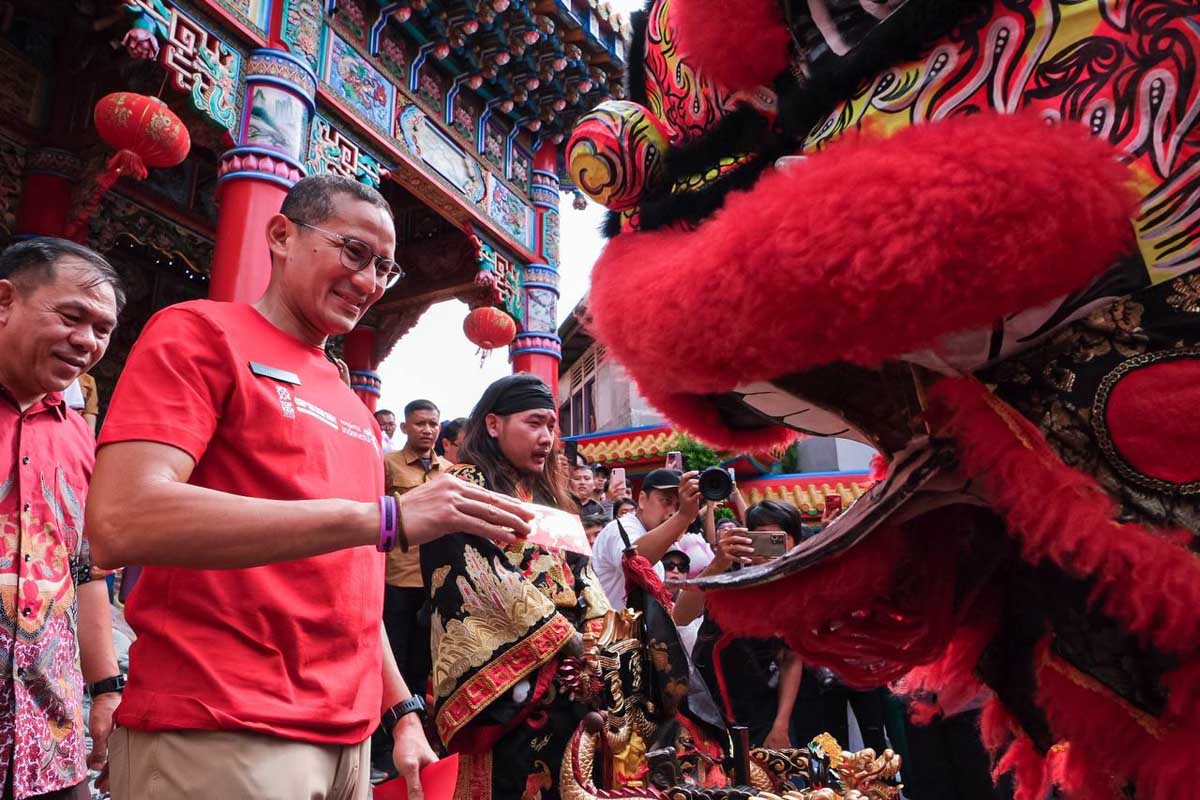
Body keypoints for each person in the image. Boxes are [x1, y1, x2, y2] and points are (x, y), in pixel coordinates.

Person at [85, 175, 533, 800]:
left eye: (385, 267)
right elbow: (120, 520)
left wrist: (401, 711)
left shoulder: (351, 407)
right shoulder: (200, 333)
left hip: (347, 741)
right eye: (354, 252)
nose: (372, 281)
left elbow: (349, 581)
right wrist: (384, 519)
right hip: (223, 726)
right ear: (280, 235)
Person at [419, 374, 613, 799]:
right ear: (494, 424)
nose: (546, 438)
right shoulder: (461, 485)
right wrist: (564, 636)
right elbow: (468, 570)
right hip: (514, 677)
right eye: (533, 424)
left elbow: (580, 571)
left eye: (551, 426)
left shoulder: (548, 493)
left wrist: (598, 634)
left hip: (568, 671)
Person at [0, 238, 124, 800]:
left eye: (102, 329)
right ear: (5, 301)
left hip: (50, 733)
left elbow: (86, 569)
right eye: (72, 317)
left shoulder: (79, 438)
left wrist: (105, 689)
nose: (88, 341)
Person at [675, 501, 804, 749]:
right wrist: (718, 564)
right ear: (747, 539)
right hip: (708, 710)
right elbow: (680, 615)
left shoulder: (796, 594)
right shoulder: (726, 578)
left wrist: (781, 725)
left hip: (765, 712)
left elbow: (791, 658)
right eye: (761, 537)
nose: (769, 546)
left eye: (779, 538)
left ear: (796, 543)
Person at [372, 399, 449, 779]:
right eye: (419, 423)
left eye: (433, 423)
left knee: (423, 668)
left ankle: (419, 739)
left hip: (435, 585)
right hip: (396, 581)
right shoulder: (387, 466)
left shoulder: (449, 471)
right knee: (393, 665)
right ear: (404, 427)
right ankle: (384, 747)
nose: (427, 430)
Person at [590, 467, 701, 608]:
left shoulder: (658, 552)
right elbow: (635, 562)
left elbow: (680, 618)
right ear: (642, 499)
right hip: (608, 629)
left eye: (679, 506)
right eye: (666, 501)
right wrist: (683, 516)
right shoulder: (621, 527)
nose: (673, 512)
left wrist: (719, 563)